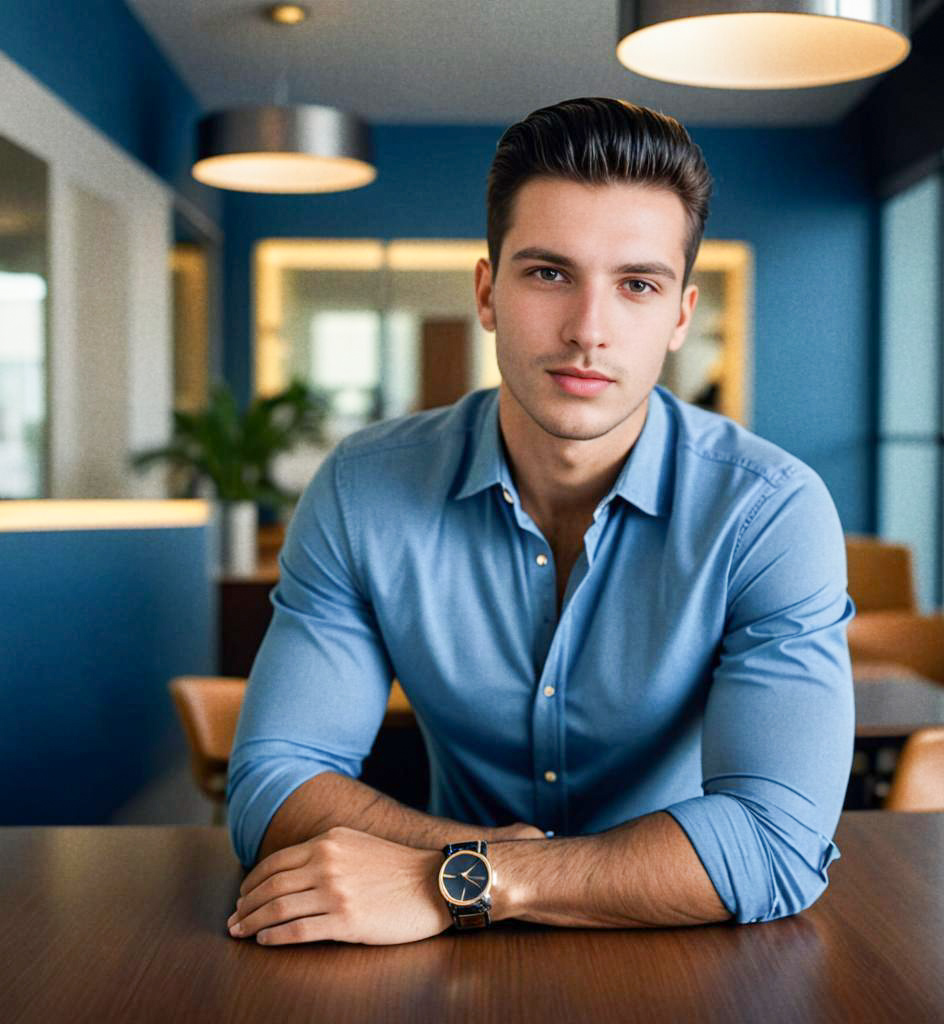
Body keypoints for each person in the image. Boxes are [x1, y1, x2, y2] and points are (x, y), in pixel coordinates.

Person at [225, 97, 854, 947]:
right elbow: (274, 779)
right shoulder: (362, 489)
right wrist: (493, 870)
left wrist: (462, 877)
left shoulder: (769, 509)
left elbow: (777, 843)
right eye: (548, 273)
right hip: (437, 955)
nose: (588, 330)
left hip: (680, 950)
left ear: (679, 317)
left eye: (637, 284)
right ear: (487, 292)